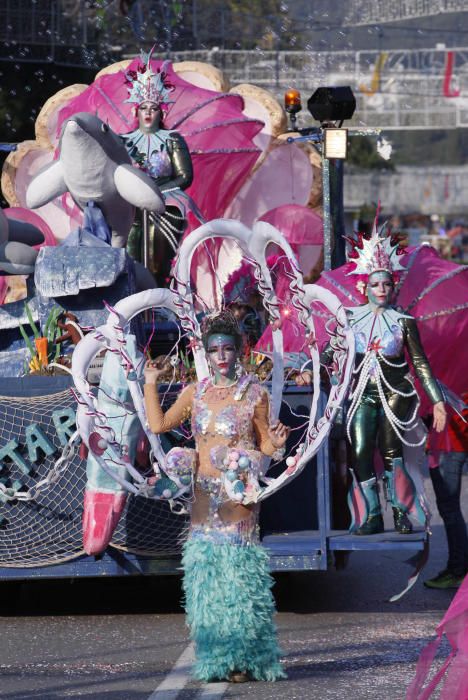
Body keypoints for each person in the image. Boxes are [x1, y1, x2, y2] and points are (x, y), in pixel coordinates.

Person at [143, 310, 288, 683]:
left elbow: (266, 443)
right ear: (206, 355)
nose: (221, 355)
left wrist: (279, 441)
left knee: (239, 577)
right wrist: (149, 383)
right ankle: (215, 658)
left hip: (237, 494)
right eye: (214, 350)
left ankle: (248, 659)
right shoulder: (196, 393)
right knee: (206, 575)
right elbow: (159, 425)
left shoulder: (254, 393)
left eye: (227, 348)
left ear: (238, 352)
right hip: (203, 495)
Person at [298, 220, 447, 535]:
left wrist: (438, 401)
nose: (382, 290)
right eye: (376, 284)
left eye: (387, 284)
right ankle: (372, 514)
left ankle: (401, 513)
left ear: (393, 287)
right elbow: (330, 350)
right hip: (361, 393)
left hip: (396, 394)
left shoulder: (403, 321)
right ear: (364, 286)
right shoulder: (350, 318)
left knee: (392, 450)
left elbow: (420, 363)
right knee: (360, 449)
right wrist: (311, 369)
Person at [122, 53, 193, 286]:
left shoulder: (172, 139)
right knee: (129, 260)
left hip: (163, 208)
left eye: (154, 107)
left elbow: (184, 176)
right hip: (131, 210)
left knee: (155, 263)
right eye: (144, 107)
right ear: (136, 111)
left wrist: (156, 191)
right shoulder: (123, 140)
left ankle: (159, 298)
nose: (149, 112)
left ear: (162, 111)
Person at [424, 396, 468, 589]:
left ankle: (457, 570)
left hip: (446, 442)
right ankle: (458, 568)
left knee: (449, 509)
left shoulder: (448, 367)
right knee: (450, 509)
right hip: (450, 441)